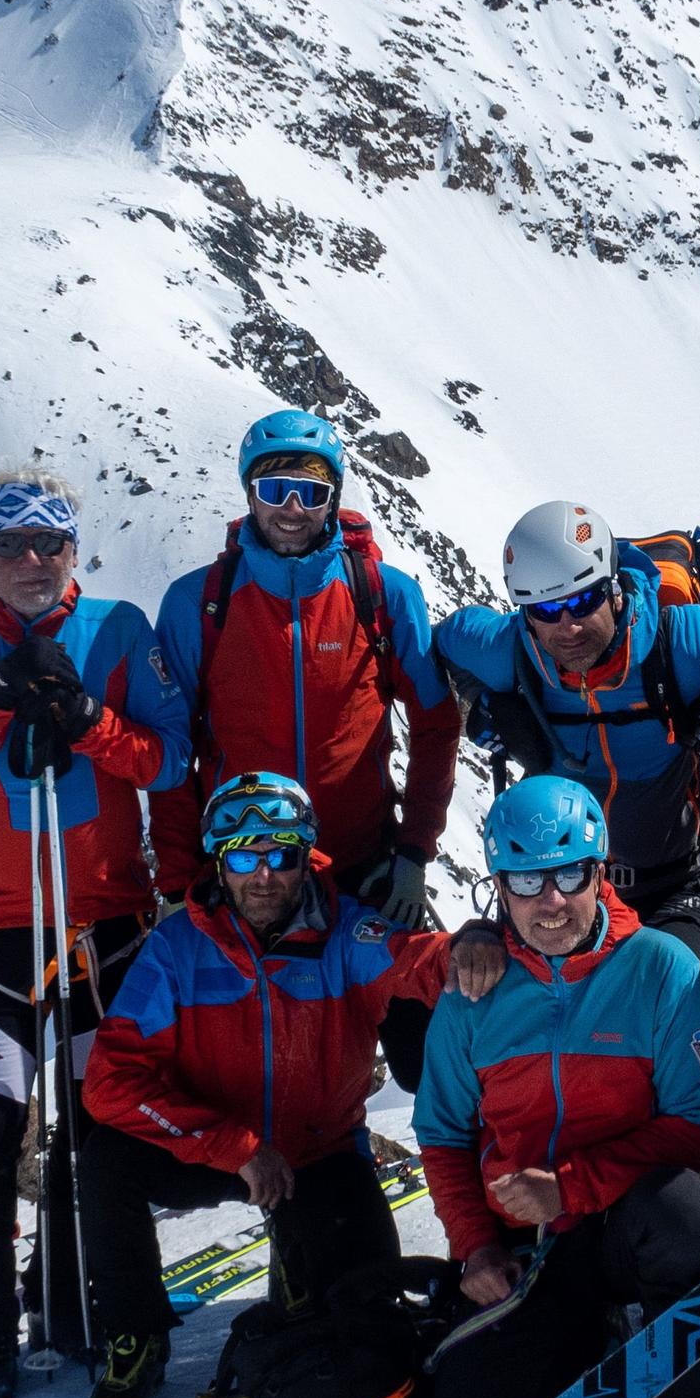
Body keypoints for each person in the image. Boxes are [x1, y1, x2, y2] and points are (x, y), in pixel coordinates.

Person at [0, 464, 192, 1398]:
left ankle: (73, 1303)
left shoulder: (118, 632)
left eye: (49, 544)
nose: (31, 563)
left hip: (103, 923)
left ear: (76, 548)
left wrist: (87, 718)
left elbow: (166, 759)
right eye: (9, 545)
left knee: (95, 1130)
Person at [80, 773, 454, 1398]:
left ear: (306, 857)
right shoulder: (176, 951)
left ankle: (298, 1255)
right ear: (219, 863)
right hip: (220, 1151)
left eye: (280, 855)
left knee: (368, 1327)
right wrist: (236, 1148)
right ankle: (135, 1332)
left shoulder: (347, 935)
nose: (263, 876)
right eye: (243, 857)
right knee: (108, 1155)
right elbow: (111, 1083)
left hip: (318, 1156)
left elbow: (412, 960)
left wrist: (476, 952)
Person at [415, 776, 700, 1398]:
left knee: (682, 1216)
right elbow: (439, 1132)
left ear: (600, 871)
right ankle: (586, 1333)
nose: (550, 900)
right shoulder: (475, 993)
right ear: (500, 885)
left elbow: (698, 1124)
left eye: (569, 873)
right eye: (527, 878)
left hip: (630, 1224)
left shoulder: (661, 969)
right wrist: (476, 1245)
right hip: (531, 1247)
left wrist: (571, 1187)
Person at [154, 409, 464, 1084]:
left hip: (366, 868)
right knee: (262, 1065)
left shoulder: (381, 594)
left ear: (335, 495)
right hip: (249, 873)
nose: (292, 509)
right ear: (247, 494)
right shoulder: (199, 605)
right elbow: (173, 756)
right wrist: (181, 882)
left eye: (311, 490)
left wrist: (414, 852)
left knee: (436, 1050)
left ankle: (458, 1178)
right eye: (274, 490)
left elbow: (438, 725)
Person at [432, 500, 700, 955]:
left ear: (615, 589)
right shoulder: (513, 651)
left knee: (654, 1003)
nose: (568, 626)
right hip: (561, 892)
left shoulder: (680, 643)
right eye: (544, 610)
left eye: (583, 600)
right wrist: (480, 708)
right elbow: (441, 643)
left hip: (675, 886)